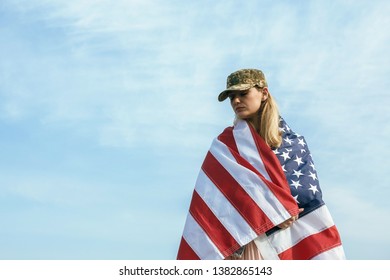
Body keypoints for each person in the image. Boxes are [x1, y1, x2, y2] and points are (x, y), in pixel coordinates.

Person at [177, 69, 345, 260]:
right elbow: (216, 200)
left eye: (243, 93)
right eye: (232, 97)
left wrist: (283, 209)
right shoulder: (225, 146)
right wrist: (274, 211)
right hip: (247, 246)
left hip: (291, 239)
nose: (236, 101)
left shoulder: (293, 143)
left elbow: (307, 193)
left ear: (264, 93)